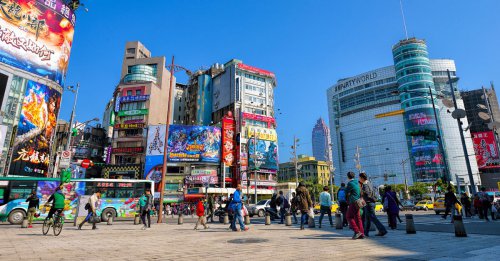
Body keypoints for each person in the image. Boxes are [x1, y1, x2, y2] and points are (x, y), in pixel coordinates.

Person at [359, 173, 387, 237]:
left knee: (373, 218)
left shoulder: (365, 184)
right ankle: (365, 232)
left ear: (362, 178)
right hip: (370, 203)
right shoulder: (369, 183)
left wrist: (362, 192)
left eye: (359, 178)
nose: (359, 179)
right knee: (367, 219)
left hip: (369, 203)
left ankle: (382, 230)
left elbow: (368, 193)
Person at [345, 172, 364, 239]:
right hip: (359, 201)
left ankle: (357, 231)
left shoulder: (350, 183)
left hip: (353, 202)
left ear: (348, 177)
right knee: (358, 218)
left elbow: (346, 191)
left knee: (348, 216)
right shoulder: (357, 182)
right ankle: (361, 233)